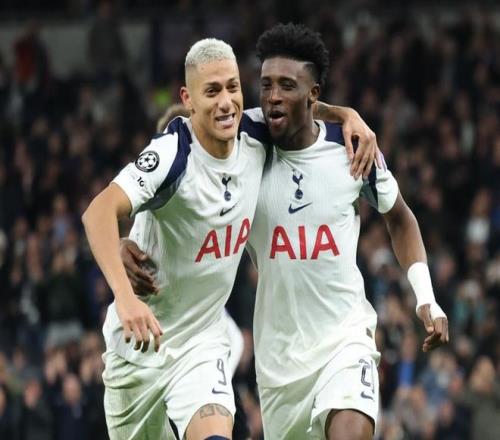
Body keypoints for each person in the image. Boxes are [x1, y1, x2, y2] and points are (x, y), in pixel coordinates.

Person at [122, 24, 449, 440]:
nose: (273, 96)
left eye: (287, 86)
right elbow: (177, 157)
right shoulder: (243, 147)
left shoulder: (350, 149)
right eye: (266, 85)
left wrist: (426, 297)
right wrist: (126, 240)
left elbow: (399, 217)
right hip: (279, 367)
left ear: (313, 94)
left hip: (345, 343)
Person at [82, 37, 378, 440]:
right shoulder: (172, 155)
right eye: (212, 91)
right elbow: (98, 212)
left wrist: (347, 114)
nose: (226, 103)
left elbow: (298, 105)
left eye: (233, 87)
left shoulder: (253, 134)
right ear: (187, 99)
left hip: (202, 348)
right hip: (138, 350)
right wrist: (125, 296)